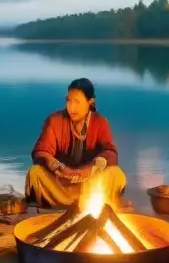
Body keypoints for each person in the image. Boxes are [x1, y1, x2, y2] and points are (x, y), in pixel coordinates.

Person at [25, 78, 127, 208]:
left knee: (116, 174)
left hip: (90, 184)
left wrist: (92, 167)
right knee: (35, 172)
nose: (71, 107)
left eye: (77, 102)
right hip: (60, 183)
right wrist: (54, 164)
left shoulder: (100, 122)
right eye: (69, 101)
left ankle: (87, 202)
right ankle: (73, 204)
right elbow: (40, 151)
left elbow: (110, 153)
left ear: (90, 102)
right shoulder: (54, 120)